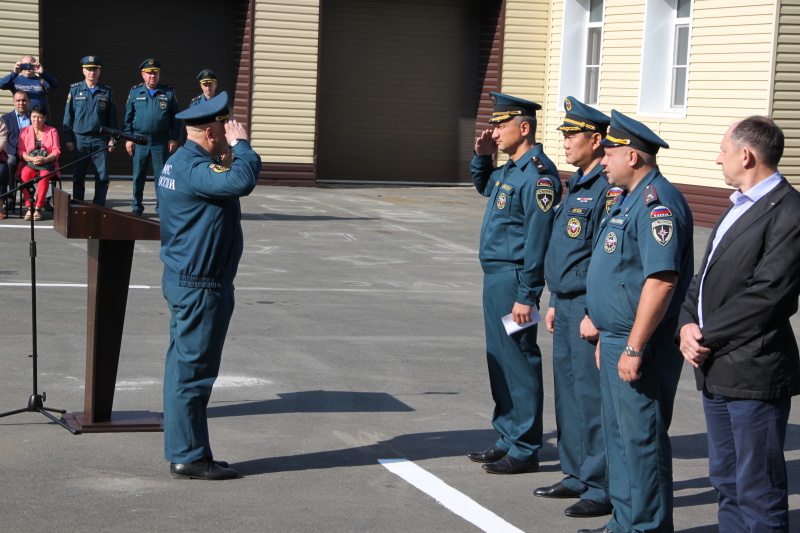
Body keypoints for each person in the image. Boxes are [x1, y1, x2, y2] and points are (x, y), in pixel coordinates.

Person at [678, 116, 800, 533]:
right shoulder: (737, 206)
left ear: (745, 155)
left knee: (758, 488)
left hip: (754, 369)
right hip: (716, 367)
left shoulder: (788, 210)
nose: (717, 160)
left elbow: (770, 293)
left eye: (722, 151)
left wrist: (705, 334)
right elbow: (704, 277)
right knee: (726, 481)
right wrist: (686, 325)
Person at [579, 110, 693, 533]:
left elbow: (661, 282)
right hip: (616, 339)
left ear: (633, 156)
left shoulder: (656, 202)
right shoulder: (629, 198)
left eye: (609, 153)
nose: (603, 160)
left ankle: (645, 527)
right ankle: (623, 523)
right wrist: (605, 334)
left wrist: (632, 346)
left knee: (641, 440)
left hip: (639, 345)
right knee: (620, 439)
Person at [157, 92, 261, 480]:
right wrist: (244, 147)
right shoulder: (194, 168)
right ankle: (189, 455)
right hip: (200, 285)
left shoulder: (181, 162)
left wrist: (229, 153)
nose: (230, 131)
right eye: (225, 126)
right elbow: (241, 180)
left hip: (188, 279)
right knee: (194, 374)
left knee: (183, 370)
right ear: (212, 130)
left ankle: (186, 449)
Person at [466, 92, 562, 475]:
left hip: (514, 283)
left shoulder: (539, 175)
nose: (495, 130)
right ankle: (507, 435)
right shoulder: (510, 169)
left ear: (524, 128)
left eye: (501, 125)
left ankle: (525, 447)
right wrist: (483, 155)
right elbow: (484, 185)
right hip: (495, 280)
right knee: (501, 361)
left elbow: (537, 244)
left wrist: (528, 295)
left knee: (520, 359)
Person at [536, 97, 613, 518]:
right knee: (567, 393)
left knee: (589, 396)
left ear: (596, 140)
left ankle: (599, 484)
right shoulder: (576, 182)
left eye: (571, 135)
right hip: (564, 303)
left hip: (586, 305)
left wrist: (594, 312)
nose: (564, 142)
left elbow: (603, 258)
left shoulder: (606, 187)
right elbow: (566, 250)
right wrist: (552, 298)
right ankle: (575, 473)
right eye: (563, 135)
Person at [124, 58, 180, 215]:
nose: (152, 76)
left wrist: (173, 138)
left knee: (162, 177)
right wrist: (129, 138)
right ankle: (137, 206)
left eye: (155, 73)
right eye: (149, 73)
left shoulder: (168, 92)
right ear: (143, 74)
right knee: (138, 175)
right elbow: (128, 118)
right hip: (140, 140)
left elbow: (176, 118)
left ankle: (161, 207)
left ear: (159, 74)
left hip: (160, 141)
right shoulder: (135, 92)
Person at [63, 55, 117, 205]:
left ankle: (99, 206)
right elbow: (68, 116)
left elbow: (112, 117)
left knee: (102, 176)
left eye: (95, 70)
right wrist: (68, 138)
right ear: (83, 71)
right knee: (78, 175)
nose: (92, 72)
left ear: (99, 71)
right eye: (89, 69)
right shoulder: (75, 90)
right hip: (80, 138)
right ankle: (78, 204)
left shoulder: (106, 91)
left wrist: (113, 138)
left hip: (101, 139)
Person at [17, 105, 60, 221]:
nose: (36, 120)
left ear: (45, 118)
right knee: (24, 175)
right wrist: (31, 159)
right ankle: (29, 207)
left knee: (44, 176)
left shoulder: (52, 131)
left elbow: (56, 150)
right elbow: (20, 150)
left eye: (40, 117)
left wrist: (45, 159)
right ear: (30, 117)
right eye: (34, 117)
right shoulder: (24, 131)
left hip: (47, 163)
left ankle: (38, 208)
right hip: (30, 163)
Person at [2, 91, 31, 186]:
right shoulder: (5, 118)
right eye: (18, 100)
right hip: (12, 151)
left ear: (29, 102)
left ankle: (41, 198)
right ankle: (10, 195)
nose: (21, 103)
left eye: (24, 100)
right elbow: (4, 138)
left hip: (31, 151)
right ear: (13, 102)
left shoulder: (36, 117)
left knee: (44, 165)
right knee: (10, 162)